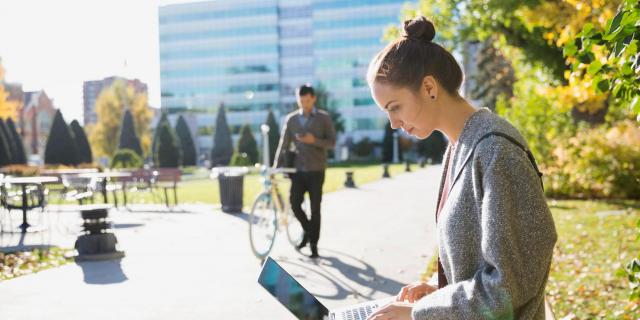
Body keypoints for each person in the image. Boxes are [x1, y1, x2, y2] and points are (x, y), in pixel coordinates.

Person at [366, 17, 557, 320]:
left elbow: (505, 290)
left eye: (394, 107)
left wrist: (418, 312)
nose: (393, 123)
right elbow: (476, 266)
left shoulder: (496, 152)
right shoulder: (460, 147)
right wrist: (435, 288)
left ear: (429, 87)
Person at [274, 84, 336, 258]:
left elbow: (332, 142)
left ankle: (313, 245)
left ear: (313, 98)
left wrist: (313, 140)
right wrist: (275, 165)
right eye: (301, 101)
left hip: (317, 170)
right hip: (298, 170)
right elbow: (283, 144)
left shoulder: (324, 118)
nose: (304, 104)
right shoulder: (291, 120)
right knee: (294, 204)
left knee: (315, 209)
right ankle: (309, 232)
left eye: (307, 100)